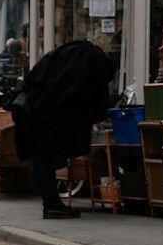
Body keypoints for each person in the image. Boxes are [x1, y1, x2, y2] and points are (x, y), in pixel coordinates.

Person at [7, 40, 116, 219]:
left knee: (42, 157)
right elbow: (73, 92)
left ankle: (51, 203)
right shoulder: (92, 60)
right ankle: (51, 205)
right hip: (38, 107)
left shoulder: (78, 52)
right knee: (45, 158)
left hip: (28, 102)